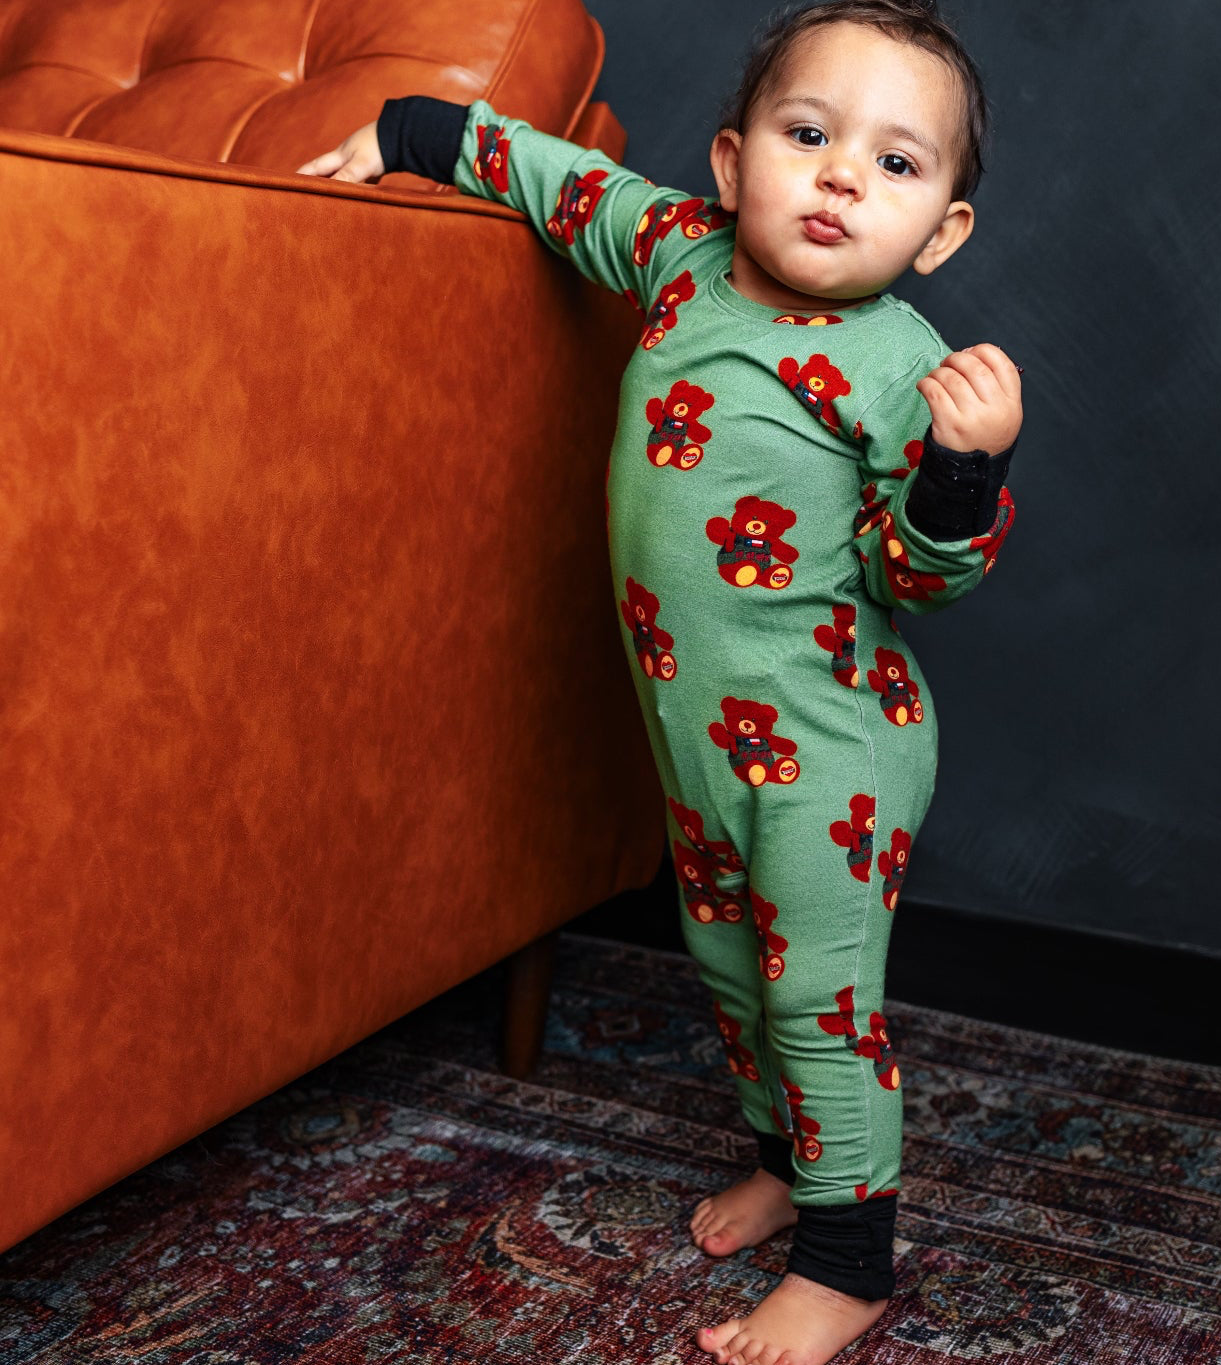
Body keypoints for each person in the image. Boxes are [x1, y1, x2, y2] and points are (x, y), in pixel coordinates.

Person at [299, 3, 1021, 1361]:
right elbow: (561, 181)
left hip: (835, 753)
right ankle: (784, 1161)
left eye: (894, 163)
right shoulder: (678, 251)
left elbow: (921, 580)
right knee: (731, 968)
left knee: (817, 1001)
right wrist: (414, 132)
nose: (840, 177)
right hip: (700, 740)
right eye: (807, 135)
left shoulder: (903, 371)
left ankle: (847, 1266)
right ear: (733, 163)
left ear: (940, 232)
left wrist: (961, 471)